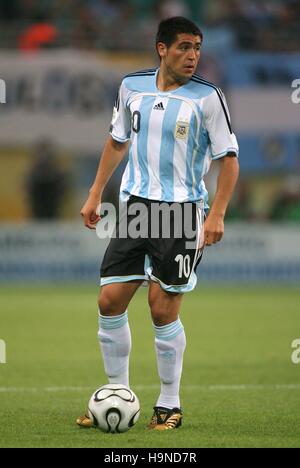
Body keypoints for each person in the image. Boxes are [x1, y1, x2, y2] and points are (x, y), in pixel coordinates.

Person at [78, 16, 239, 431]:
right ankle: (119, 395)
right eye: (184, 47)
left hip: (182, 212)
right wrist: (96, 192)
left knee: (161, 308)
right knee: (109, 301)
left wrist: (217, 213)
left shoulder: (208, 98)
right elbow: (117, 140)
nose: (193, 56)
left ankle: (170, 405)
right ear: (161, 48)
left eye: (198, 48)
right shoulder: (132, 86)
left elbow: (229, 160)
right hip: (135, 209)